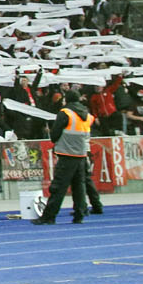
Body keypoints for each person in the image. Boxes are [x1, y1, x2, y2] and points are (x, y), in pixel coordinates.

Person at [34, 93, 92, 225]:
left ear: (67, 100)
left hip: (67, 154)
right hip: (81, 154)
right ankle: (79, 215)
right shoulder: (87, 115)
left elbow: (54, 135)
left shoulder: (65, 113)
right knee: (79, 187)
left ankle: (49, 216)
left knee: (58, 188)